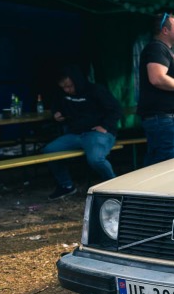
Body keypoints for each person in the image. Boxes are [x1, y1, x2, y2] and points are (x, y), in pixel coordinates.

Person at [44, 67, 122, 200]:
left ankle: (114, 188)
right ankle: (66, 186)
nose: (67, 90)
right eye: (64, 87)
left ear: (77, 81)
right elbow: (57, 107)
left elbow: (116, 109)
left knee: (96, 160)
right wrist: (56, 114)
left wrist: (105, 126)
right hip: (76, 134)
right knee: (49, 151)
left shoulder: (96, 90)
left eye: (69, 86)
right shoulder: (62, 94)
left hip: (97, 133)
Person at [137, 12, 174, 166]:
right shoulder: (157, 49)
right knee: (163, 166)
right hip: (162, 119)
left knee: (155, 164)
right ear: (165, 30)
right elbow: (157, 78)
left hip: (166, 118)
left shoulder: (165, 50)